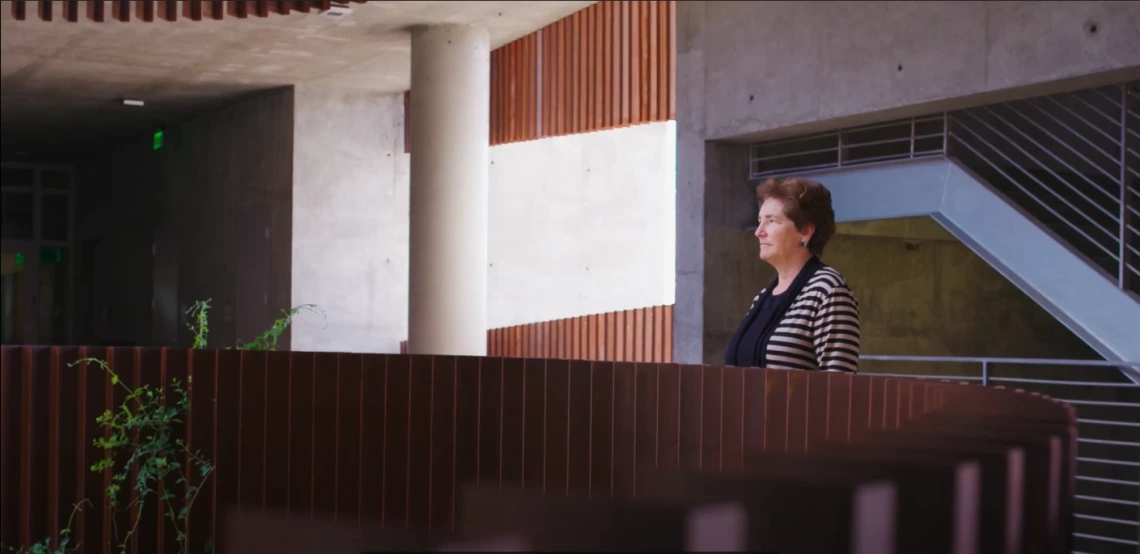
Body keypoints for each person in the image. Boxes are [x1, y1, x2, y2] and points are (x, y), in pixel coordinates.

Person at [724, 177, 860, 373]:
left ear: (805, 231)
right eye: (760, 221)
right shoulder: (763, 297)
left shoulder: (829, 291)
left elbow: (839, 384)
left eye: (771, 221)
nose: (759, 232)